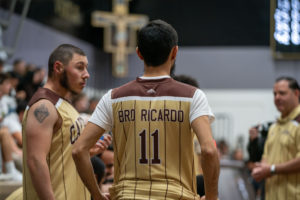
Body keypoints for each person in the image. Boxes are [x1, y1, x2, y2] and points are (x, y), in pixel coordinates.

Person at [72, 20, 219, 200]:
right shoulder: (193, 96)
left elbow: (79, 150)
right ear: (175, 52)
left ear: (139, 53)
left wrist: (96, 194)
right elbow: (209, 151)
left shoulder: (113, 97)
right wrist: (211, 197)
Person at [19, 44, 111, 200]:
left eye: (86, 68)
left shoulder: (65, 105)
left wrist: (88, 152)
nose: (86, 74)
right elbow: (35, 161)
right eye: (80, 67)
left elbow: (58, 155)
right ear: (58, 68)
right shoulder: (43, 105)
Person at [252, 76, 300, 200]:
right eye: (275, 94)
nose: (277, 97)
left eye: (282, 93)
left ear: (296, 93)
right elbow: (266, 157)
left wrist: (272, 169)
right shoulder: (274, 127)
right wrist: (261, 169)